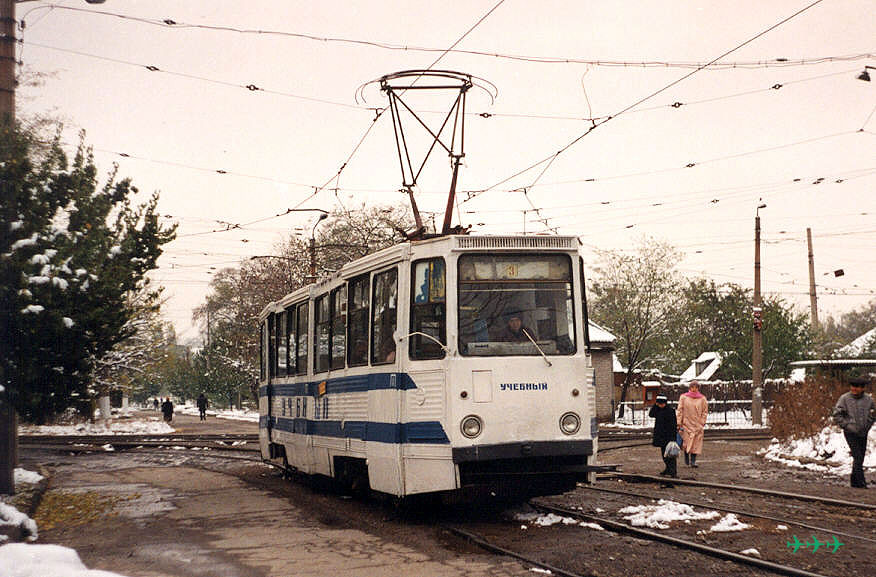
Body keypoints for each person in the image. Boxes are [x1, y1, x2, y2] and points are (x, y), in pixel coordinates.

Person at [833, 377, 875, 488]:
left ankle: (854, 481)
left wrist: (868, 425)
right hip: (850, 432)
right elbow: (837, 414)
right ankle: (861, 482)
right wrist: (847, 425)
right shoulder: (844, 398)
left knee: (860, 456)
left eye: (856, 387)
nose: (854, 389)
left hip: (863, 432)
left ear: (862, 388)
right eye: (852, 386)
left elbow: (873, 414)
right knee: (857, 456)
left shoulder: (869, 400)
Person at [676, 381, 708, 467]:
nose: (694, 389)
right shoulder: (683, 397)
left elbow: (705, 412)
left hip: (697, 424)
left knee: (696, 443)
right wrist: (679, 422)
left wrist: (702, 422)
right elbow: (680, 410)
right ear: (689, 388)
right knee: (686, 442)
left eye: (696, 387)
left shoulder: (702, 399)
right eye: (692, 387)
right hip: (686, 423)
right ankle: (686, 457)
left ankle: (693, 461)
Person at [649, 394, 678, 478]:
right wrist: (655, 405)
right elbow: (651, 414)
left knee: (671, 455)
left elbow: (673, 425)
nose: (661, 405)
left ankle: (673, 471)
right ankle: (668, 469)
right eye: (659, 404)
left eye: (662, 404)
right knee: (664, 455)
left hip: (668, 436)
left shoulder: (670, 411)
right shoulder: (657, 410)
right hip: (660, 436)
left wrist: (673, 437)